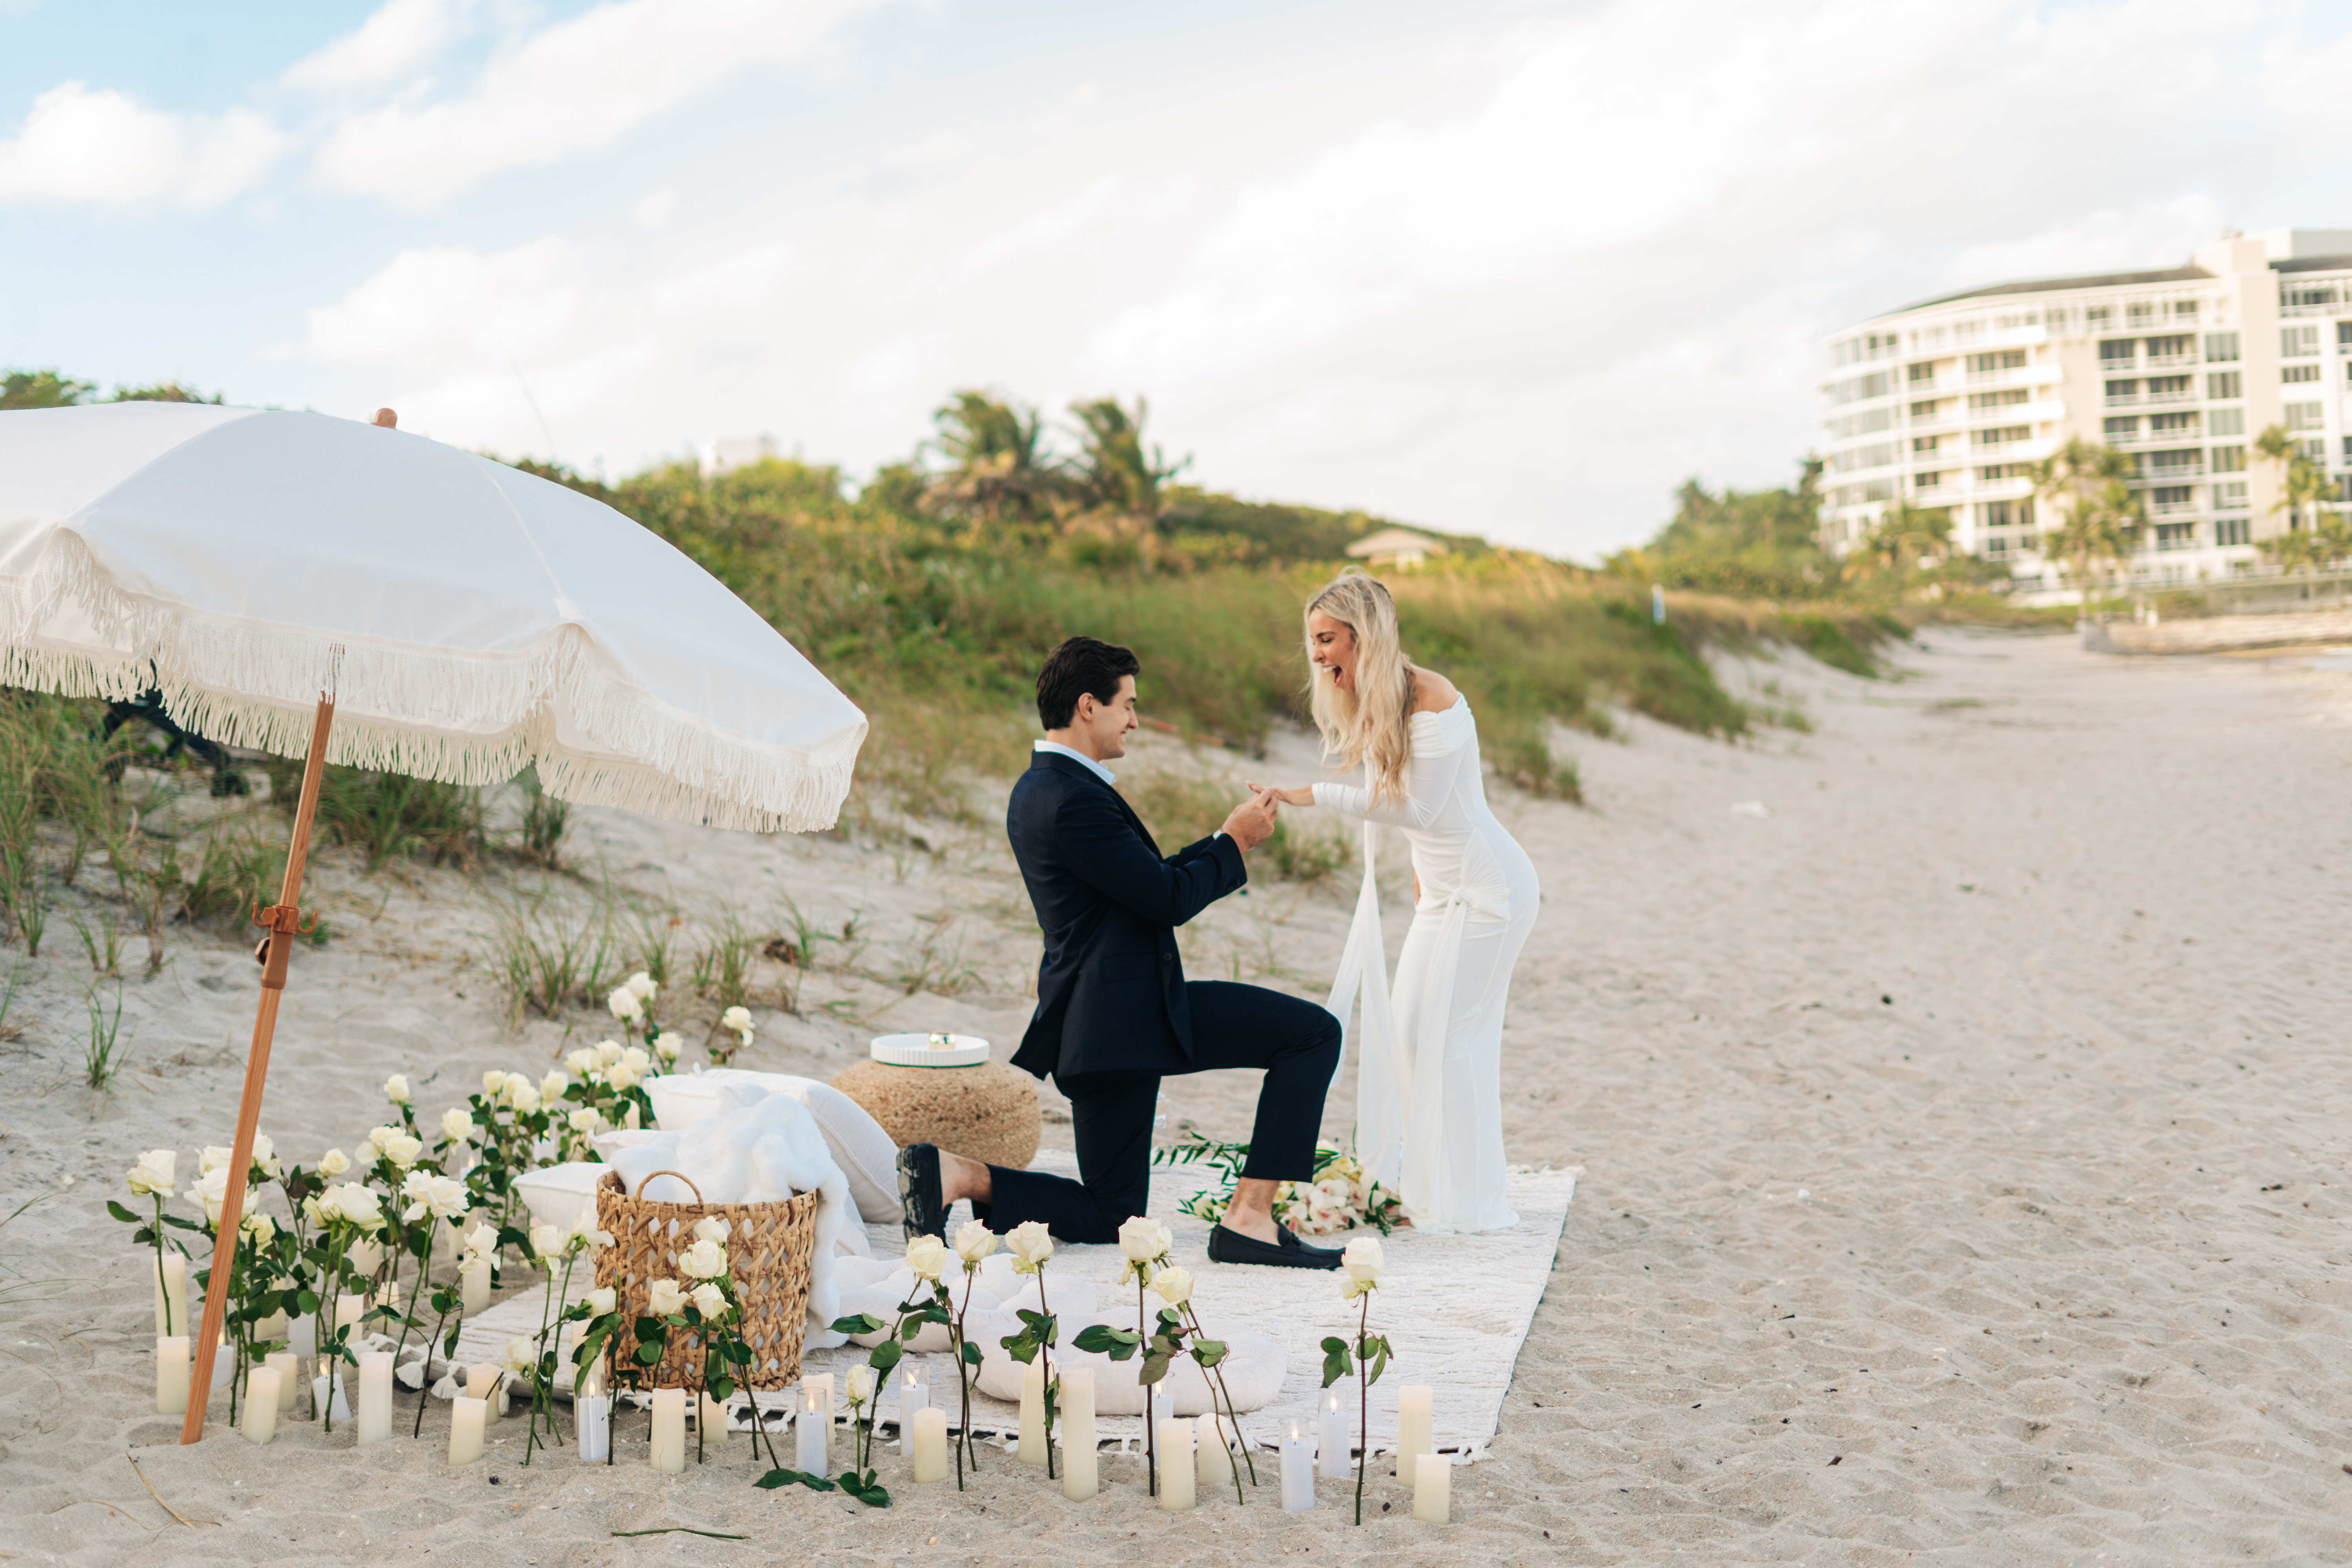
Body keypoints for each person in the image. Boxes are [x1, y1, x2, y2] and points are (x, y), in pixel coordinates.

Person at [895, 635, 1347, 1268]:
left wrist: (1224, 837)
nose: (1134, 719)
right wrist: (1237, 845)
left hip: (1102, 1023)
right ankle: (1250, 1219)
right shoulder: (1073, 799)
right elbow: (1166, 900)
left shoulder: (1042, 788)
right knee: (1312, 1035)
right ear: (1088, 706)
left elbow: (1142, 883)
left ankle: (962, 1176)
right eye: (1128, 705)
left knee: (1113, 1214)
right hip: (1129, 1015)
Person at [1252, 571, 1538, 1232]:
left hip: (1489, 892)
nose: (1318, 656)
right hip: (1442, 896)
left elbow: (1423, 808)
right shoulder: (1379, 700)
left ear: (1363, 634)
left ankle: (1467, 1205)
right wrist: (1420, 885)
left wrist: (1312, 795)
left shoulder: (1431, 696)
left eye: (1327, 640)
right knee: (1413, 1039)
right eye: (1313, 643)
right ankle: (1438, 1190)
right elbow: (1419, 818)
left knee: (1451, 1044)